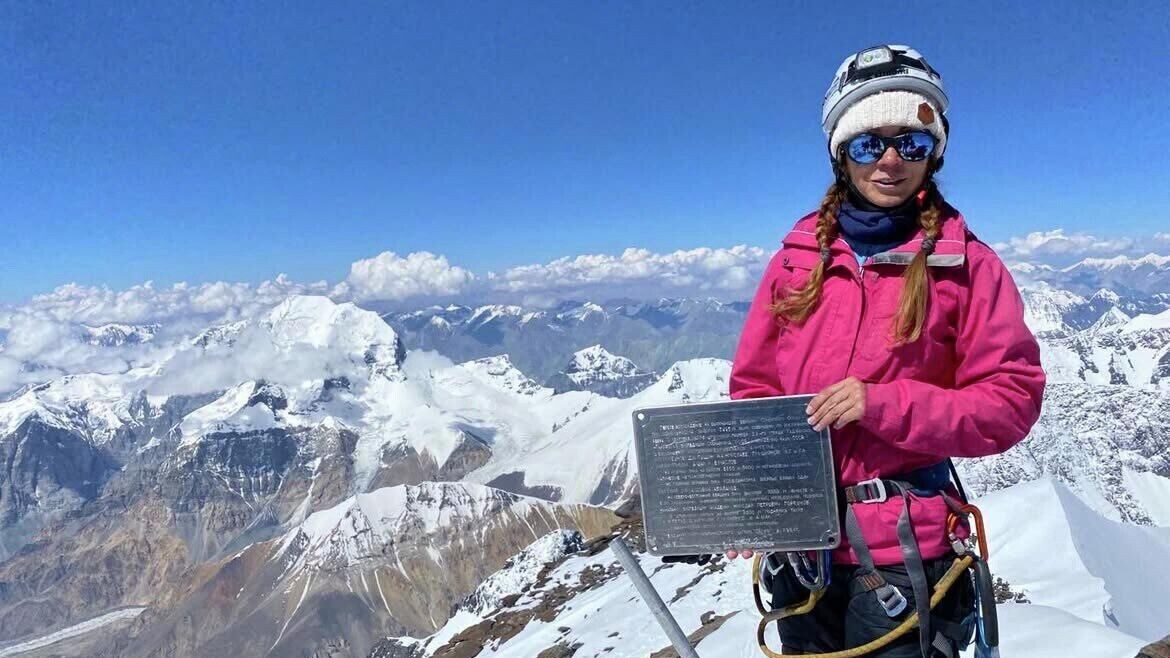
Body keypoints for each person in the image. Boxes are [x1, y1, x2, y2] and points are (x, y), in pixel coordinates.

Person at [725, 45, 1046, 657]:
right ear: (841, 154)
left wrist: (883, 405)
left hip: (906, 551)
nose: (891, 161)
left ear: (935, 153)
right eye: (869, 143)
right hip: (804, 548)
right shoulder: (795, 263)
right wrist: (757, 500)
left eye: (913, 143)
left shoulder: (967, 267)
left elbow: (1010, 403)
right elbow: (755, 393)